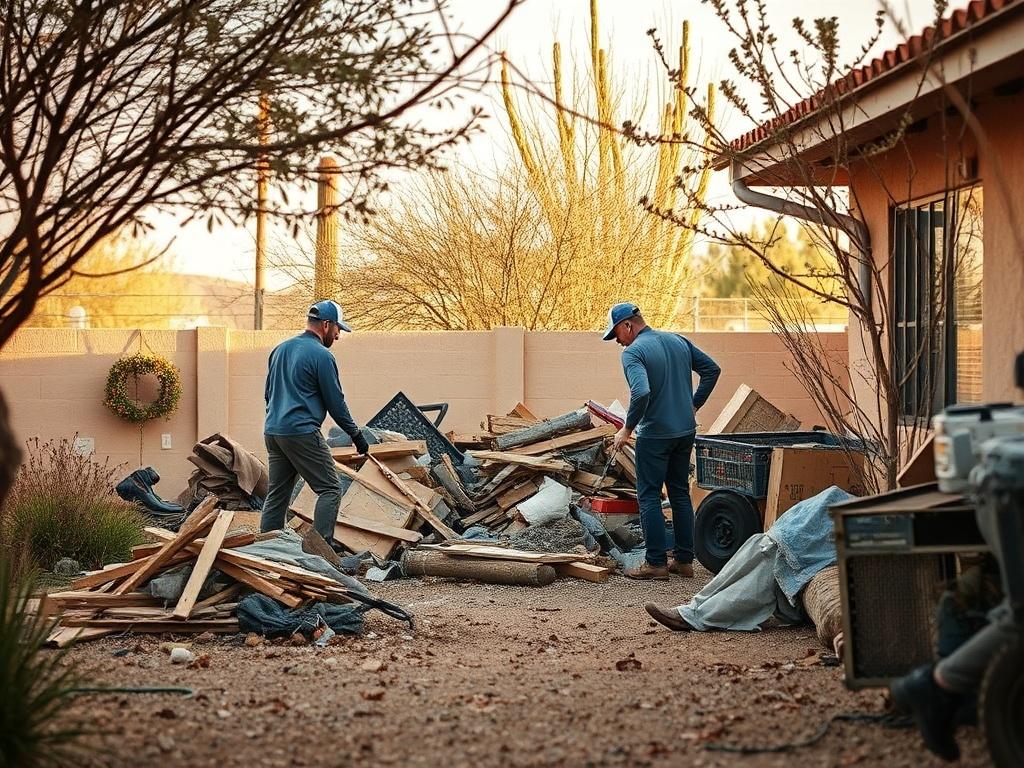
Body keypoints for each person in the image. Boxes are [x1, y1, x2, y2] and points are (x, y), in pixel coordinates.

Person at [604, 302, 721, 580]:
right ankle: (684, 561)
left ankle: (655, 563)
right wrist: (693, 405)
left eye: (617, 334)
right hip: (684, 431)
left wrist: (627, 428)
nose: (618, 342)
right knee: (680, 493)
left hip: (655, 434)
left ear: (628, 325)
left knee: (649, 496)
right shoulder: (677, 341)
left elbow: (641, 392)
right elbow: (712, 370)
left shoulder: (634, 352)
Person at [260, 300, 369, 543]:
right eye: (338, 328)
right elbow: (336, 403)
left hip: (273, 432)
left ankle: (266, 551)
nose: (338, 335)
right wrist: (356, 435)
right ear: (327, 325)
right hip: (301, 432)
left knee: (277, 494)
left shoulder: (279, 350)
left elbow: (268, 394)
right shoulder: (322, 355)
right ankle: (321, 555)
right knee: (330, 489)